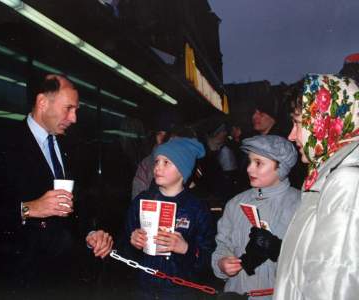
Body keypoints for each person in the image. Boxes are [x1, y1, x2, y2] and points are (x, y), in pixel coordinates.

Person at [0, 74, 113, 293]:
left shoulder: (71, 145)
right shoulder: (1, 143)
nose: (74, 119)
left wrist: (91, 233)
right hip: (20, 278)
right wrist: (29, 208)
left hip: (64, 275)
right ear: (42, 103)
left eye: (76, 110)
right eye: (68, 108)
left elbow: (77, 204)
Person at [274, 74, 359, 300]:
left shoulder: (346, 182)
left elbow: (334, 284)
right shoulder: (323, 178)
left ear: (328, 120)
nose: (291, 135)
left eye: (299, 123)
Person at [124, 137, 215, 299]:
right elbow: (124, 249)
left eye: (166, 162)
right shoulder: (142, 201)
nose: (158, 167)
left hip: (180, 292)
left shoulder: (197, 209)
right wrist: (133, 243)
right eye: (157, 161)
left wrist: (186, 249)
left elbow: (209, 259)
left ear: (183, 169)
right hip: (144, 290)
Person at [212, 135, 300, 299]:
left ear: (281, 168)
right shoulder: (236, 203)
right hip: (236, 291)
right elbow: (223, 244)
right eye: (250, 161)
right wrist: (222, 263)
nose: (249, 169)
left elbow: (308, 264)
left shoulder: (299, 205)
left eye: (258, 163)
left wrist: (278, 251)